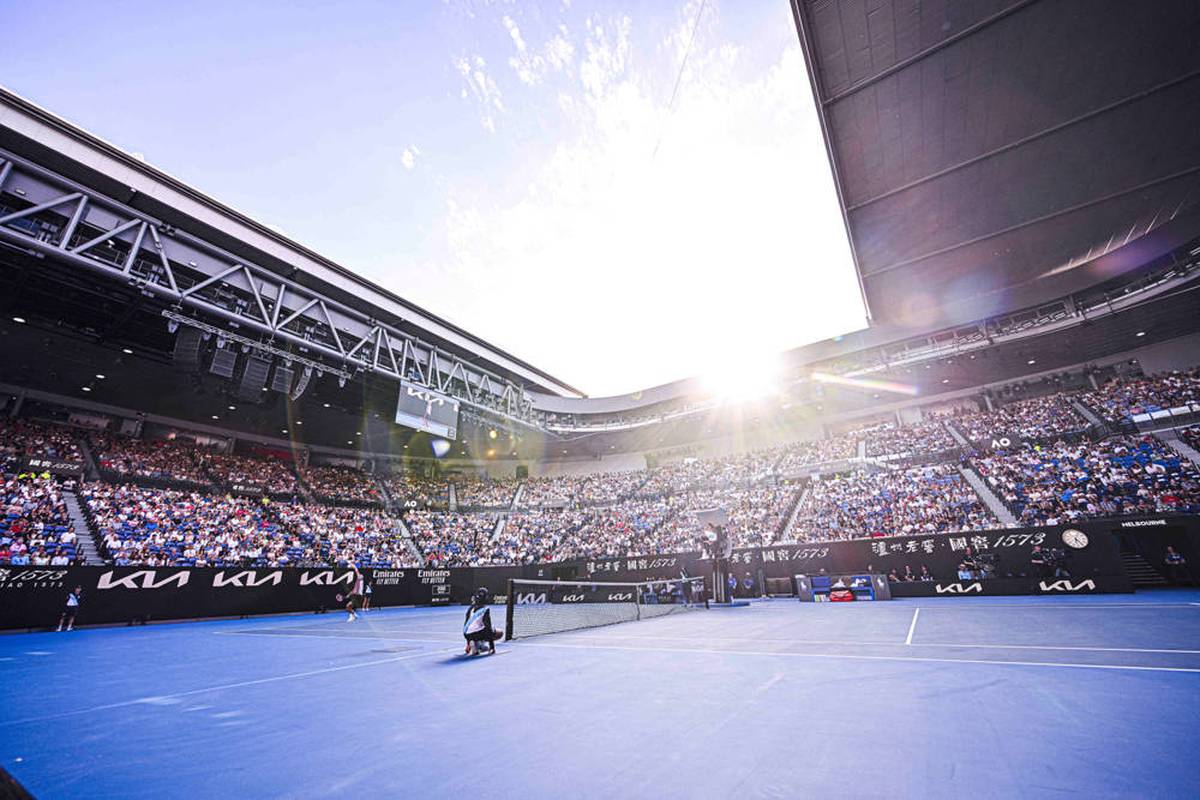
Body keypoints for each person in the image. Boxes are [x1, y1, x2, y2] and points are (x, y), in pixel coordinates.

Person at [463, 588, 499, 656]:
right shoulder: (485, 609)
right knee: (493, 630)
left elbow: (466, 624)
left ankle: (475, 645)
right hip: (477, 634)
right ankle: (490, 648)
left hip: (466, 635)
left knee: (474, 628)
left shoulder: (470, 608)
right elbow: (488, 626)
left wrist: (468, 643)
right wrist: (492, 646)